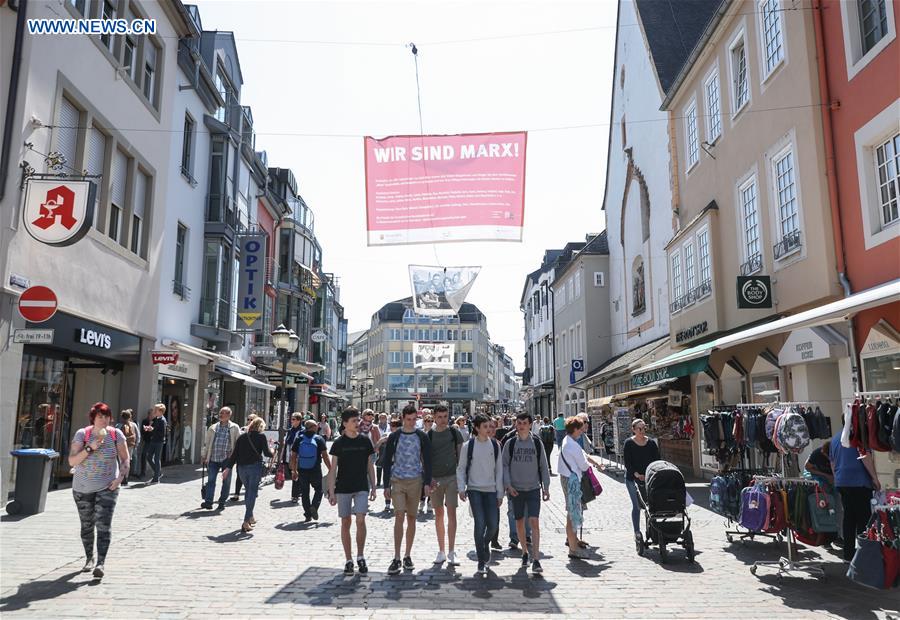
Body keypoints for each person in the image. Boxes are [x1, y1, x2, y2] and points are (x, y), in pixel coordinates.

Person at [68, 402, 130, 579]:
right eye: (100, 417)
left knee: (103, 525)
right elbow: (72, 461)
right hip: (82, 488)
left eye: (106, 417)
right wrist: (90, 447)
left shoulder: (116, 434)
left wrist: (119, 479)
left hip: (108, 487)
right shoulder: (83, 434)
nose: (104, 420)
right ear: (93, 418)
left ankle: (100, 563)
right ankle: (89, 558)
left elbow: (125, 459)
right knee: (87, 525)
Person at [382, 404, 433, 575]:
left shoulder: (421, 436)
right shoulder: (395, 436)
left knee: (412, 518)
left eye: (413, 419)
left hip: (415, 481)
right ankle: (396, 557)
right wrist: (386, 484)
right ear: (403, 418)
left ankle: (407, 555)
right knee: (399, 516)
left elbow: (427, 460)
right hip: (397, 480)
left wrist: (427, 482)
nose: (411, 422)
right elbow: (387, 460)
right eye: (408, 419)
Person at [328, 407, 377, 575]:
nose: (357, 423)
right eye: (354, 421)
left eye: (358, 420)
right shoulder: (338, 443)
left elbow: (370, 465)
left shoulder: (365, 441)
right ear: (345, 423)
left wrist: (374, 486)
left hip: (361, 485)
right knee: (346, 522)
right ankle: (348, 559)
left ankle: (360, 556)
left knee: (361, 519)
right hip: (343, 487)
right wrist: (331, 491)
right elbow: (333, 469)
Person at [502, 413, 550, 575]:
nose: (521, 425)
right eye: (519, 423)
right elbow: (504, 465)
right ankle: (524, 552)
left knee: (534, 521)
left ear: (530, 425)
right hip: (516, 490)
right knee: (520, 522)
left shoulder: (536, 442)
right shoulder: (510, 443)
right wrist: (508, 485)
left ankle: (536, 559)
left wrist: (546, 487)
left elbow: (543, 465)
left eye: (524, 423)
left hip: (533, 488)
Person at [456, 414, 504, 576]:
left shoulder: (495, 445)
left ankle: (484, 544)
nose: (489, 429)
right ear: (477, 428)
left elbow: (499, 470)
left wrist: (500, 492)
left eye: (490, 426)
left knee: (493, 525)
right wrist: (461, 488)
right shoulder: (468, 446)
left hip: (491, 490)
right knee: (480, 523)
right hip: (474, 489)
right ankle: (481, 560)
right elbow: (461, 468)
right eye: (485, 426)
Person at [829, 434, 881, 561]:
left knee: (849, 518)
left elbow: (832, 462)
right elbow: (865, 456)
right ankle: (863, 556)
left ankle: (848, 555)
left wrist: (837, 478)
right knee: (863, 519)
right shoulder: (858, 434)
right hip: (859, 481)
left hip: (842, 481)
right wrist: (875, 478)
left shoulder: (835, 439)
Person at [557, 416, 600, 559]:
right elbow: (583, 465)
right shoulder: (572, 445)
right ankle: (573, 549)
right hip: (572, 481)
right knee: (572, 513)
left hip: (567, 478)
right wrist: (592, 466)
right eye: (580, 429)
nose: (582, 432)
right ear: (574, 429)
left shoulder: (567, 440)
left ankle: (573, 541)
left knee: (572, 512)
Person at [222, 417, 273, 533]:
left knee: (248, 492)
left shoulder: (242, 437)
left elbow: (234, 454)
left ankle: (250, 516)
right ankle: (246, 521)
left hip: (241, 469)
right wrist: (272, 450)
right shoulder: (261, 436)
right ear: (261, 427)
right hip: (254, 468)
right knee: (252, 493)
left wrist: (227, 468)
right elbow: (267, 453)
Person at [427, 404, 464, 565]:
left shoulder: (454, 432)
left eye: (445, 417)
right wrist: (428, 478)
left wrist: (460, 477)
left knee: (452, 513)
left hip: (451, 478)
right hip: (435, 479)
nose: (443, 420)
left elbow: (461, 456)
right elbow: (424, 458)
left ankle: (451, 551)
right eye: (440, 417)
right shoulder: (429, 435)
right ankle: (441, 550)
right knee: (439, 515)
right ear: (434, 417)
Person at [622, 418, 660, 541]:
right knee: (637, 505)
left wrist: (650, 474)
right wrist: (637, 474)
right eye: (640, 428)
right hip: (632, 479)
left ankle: (652, 530)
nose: (642, 430)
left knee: (650, 506)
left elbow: (657, 460)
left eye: (644, 428)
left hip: (649, 478)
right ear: (633, 430)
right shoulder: (629, 443)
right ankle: (637, 532)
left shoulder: (651, 443)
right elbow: (627, 463)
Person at [292, 419, 332, 522]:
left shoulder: (299, 438)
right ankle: (314, 506)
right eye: (316, 426)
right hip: (315, 468)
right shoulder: (319, 439)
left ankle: (307, 515)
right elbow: (325, 456)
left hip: (302, 469)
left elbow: (293, 456)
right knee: (319, 489)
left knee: (305, 492)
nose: (317, 427)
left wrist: (294, 470)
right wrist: (330, 469)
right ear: (313, 427)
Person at [201, 407, 240, 510]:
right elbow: (207, 443)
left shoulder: (234, 427)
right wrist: (204, 455)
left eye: (223, 413)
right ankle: (208, 502)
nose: (221, 415)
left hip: (227, 459)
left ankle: (222, 502)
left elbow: (239, 443)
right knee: (211, 480)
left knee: (226, 481)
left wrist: (233, 454)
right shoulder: (213, 427)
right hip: (213, 458)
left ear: (229, 415)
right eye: (220, 413)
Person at [283, 413, 305, 503]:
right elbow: (286, 443)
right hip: (289, 455)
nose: (291, 421)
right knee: (292, 473)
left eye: (294, 419)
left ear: (299, 421)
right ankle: (299, 491)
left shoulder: (303, 431)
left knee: (295, 474)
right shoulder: (290, 431)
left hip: (298, 456)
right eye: (291, 419)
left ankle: (295, 495)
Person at [143, 403, 167, 483]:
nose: (154, 411)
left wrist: (152, 430)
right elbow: (155, 429)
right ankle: (158, 472)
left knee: (156, 459)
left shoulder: (162, 420)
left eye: (156, 410)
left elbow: (162, 433)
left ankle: (156, 478)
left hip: (159, 442)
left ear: (161, 411)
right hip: (154, 441)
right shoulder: (156, 419)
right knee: (149, 457)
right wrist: (149, 428)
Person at [115, 410, 139, 485]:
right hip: (130, 445)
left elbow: (115, 436)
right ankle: (126, 477)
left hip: (121, 445)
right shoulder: (133, 425)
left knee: (121, 461)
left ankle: (121, 477)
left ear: (122, 417)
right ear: (130, 417)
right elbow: (137, 435)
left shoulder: (118, 425)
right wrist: (136, 445)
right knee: (127, 461)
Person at [138, 408, 154, 479]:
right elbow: (142, 432)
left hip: (154, 441)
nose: (152, 416)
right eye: (151, 414)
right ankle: (143, 472)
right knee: (144, 455)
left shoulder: (156, 421)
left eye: (153, 414)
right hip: (147, 441)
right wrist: (148, 426)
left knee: (153, 457)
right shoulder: (145, 421)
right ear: (148, 414)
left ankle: (156, 472)